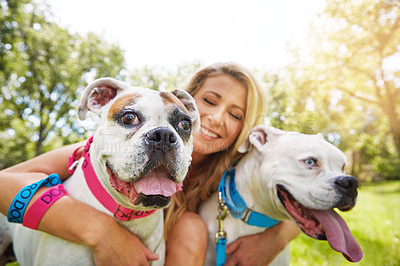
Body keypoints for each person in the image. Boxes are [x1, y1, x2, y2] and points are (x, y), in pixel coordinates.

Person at [0, 62, 300, 266]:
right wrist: (99, 230)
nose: (218, 117)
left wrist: (277, 236)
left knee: (191, 227)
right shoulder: (96, 151)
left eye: (236, 115)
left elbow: (296, 191)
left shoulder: (240, 169)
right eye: (210, 101)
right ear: (188, 100)